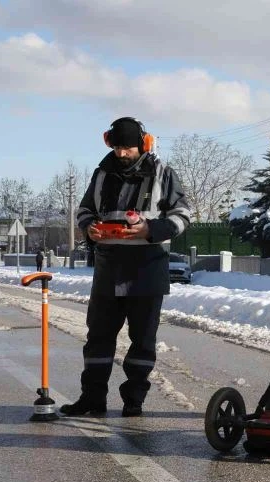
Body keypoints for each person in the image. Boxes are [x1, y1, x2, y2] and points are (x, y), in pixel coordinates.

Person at [60, 117, 192, 417]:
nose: (121, 154)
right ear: (109, 143)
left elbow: (183, 216)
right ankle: (92, 399)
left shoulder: (163, 174)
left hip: (147, 270)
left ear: (143, 145)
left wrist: (150, 230)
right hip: (108, 270)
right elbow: (84, 210)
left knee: (142, 342)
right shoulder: (102, 175)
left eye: (128, 148)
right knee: (98, 339)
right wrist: (89, 228)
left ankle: (134, 401)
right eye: (117, 147)